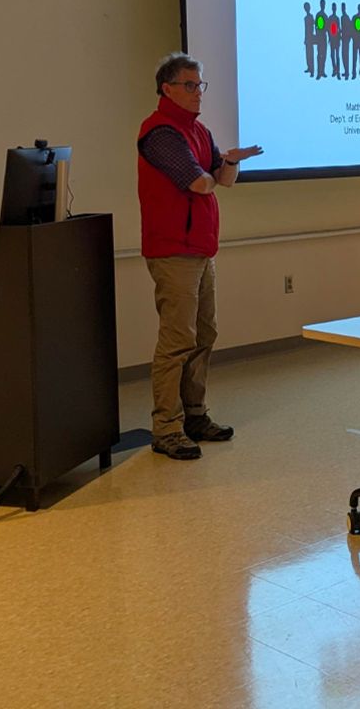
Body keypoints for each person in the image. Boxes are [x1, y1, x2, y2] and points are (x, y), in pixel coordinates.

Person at [137, 53, 263, 460]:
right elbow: (198, 183)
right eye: (189, 86)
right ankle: (166, 429)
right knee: (177, 340)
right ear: (167, 89)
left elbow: (220, 181)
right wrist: (212, 172)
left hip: (201, 250)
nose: (197, 93)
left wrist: (229, 161)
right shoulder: (159, 133)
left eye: (200, 85)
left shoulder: (198, 131)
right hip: (173, 251)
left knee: (204, 336)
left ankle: (194, 415)